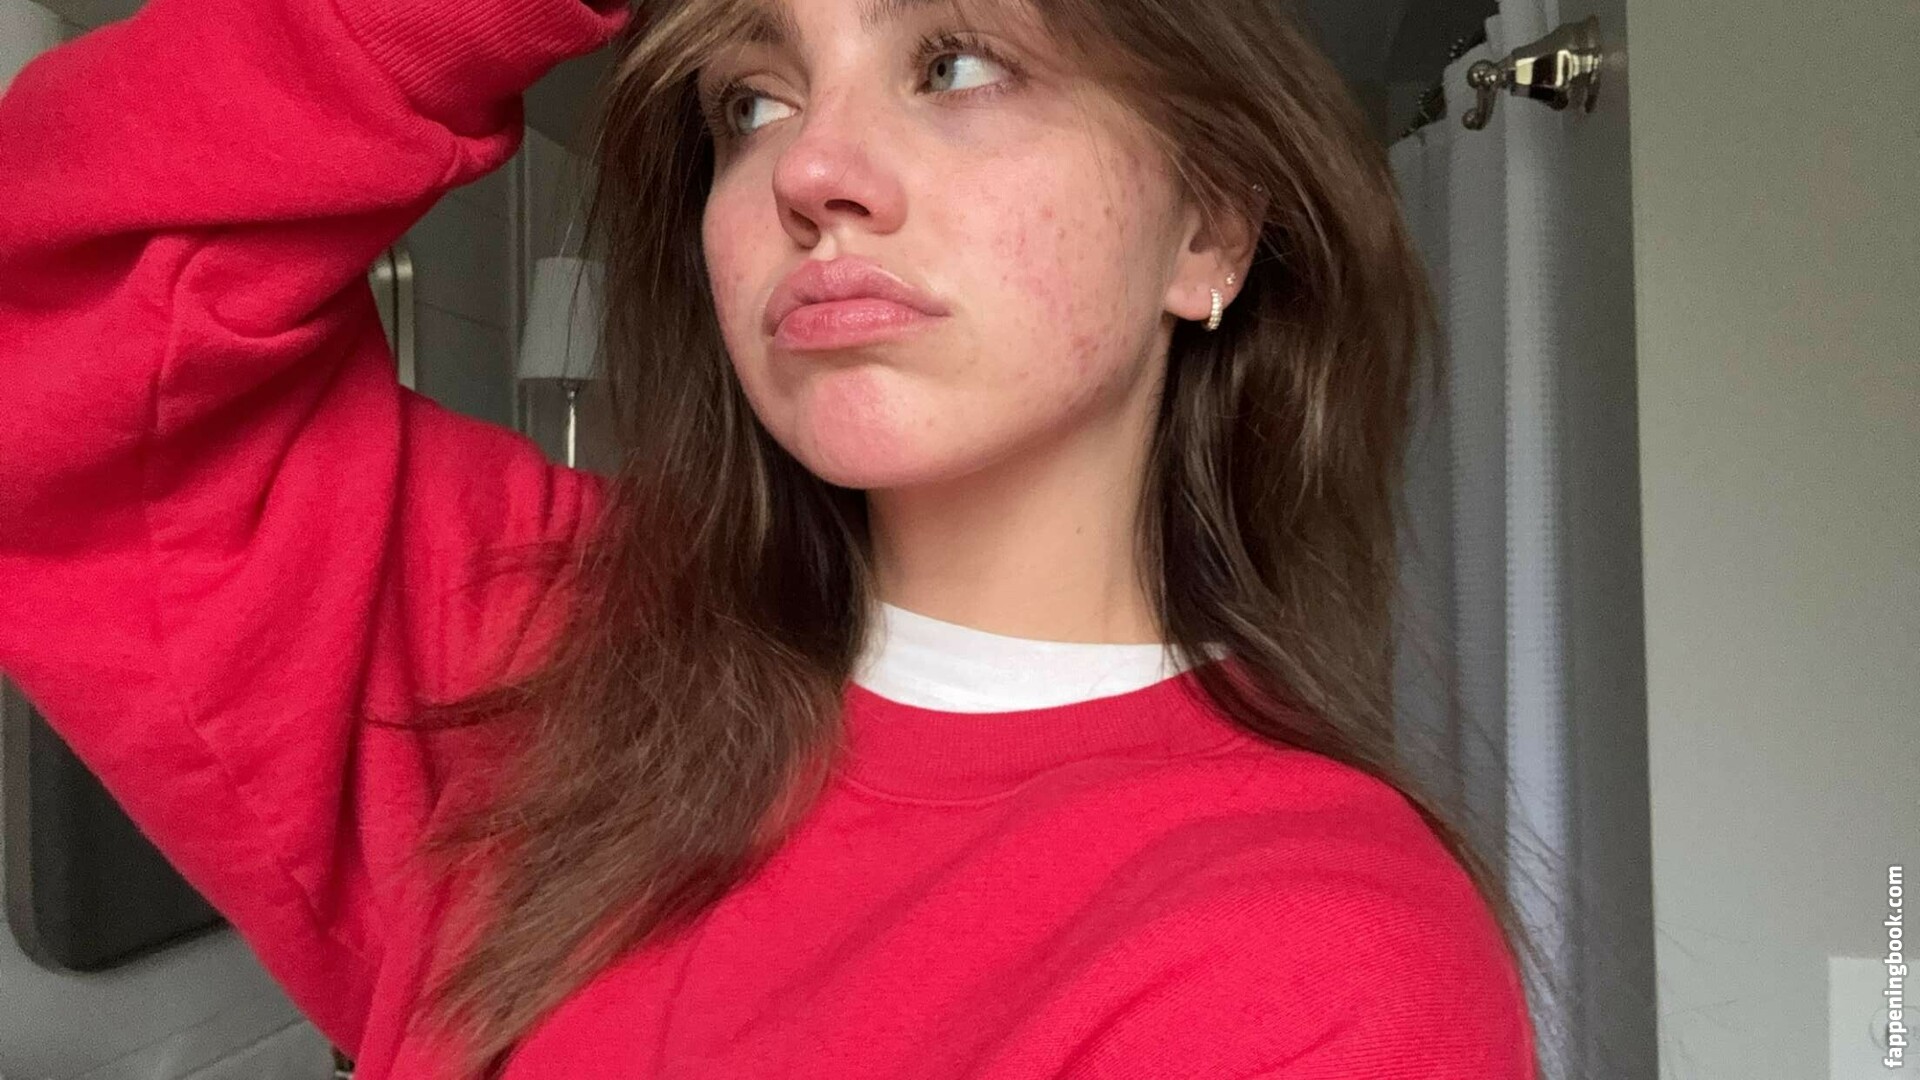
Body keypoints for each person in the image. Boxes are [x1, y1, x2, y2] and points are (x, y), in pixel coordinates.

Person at [0, 0, 1542, 1076]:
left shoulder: (1318, 968)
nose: (808, 172)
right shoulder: (541, 656)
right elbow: (63, 323)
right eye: (753, 99)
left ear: (1206, 232)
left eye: (956, 63)